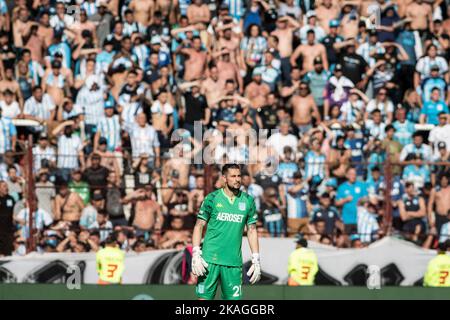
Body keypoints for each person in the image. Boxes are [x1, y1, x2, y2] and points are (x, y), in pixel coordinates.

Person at [191, 164, 260, 300]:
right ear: (224, 178)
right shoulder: (212, 198)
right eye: (233, 176)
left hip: (233, 262)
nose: (237, 179)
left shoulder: (248, 201)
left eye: (239, 176)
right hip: (209, 259)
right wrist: (195, 253)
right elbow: (199, 226)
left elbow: (252, 230)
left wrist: (256, 258)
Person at [0, 181, 15, 256]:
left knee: (8, 252)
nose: (7, 188)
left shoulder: (11, 199)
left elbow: (13, 213)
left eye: (7, 186)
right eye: (4, 186)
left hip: (8, 230)